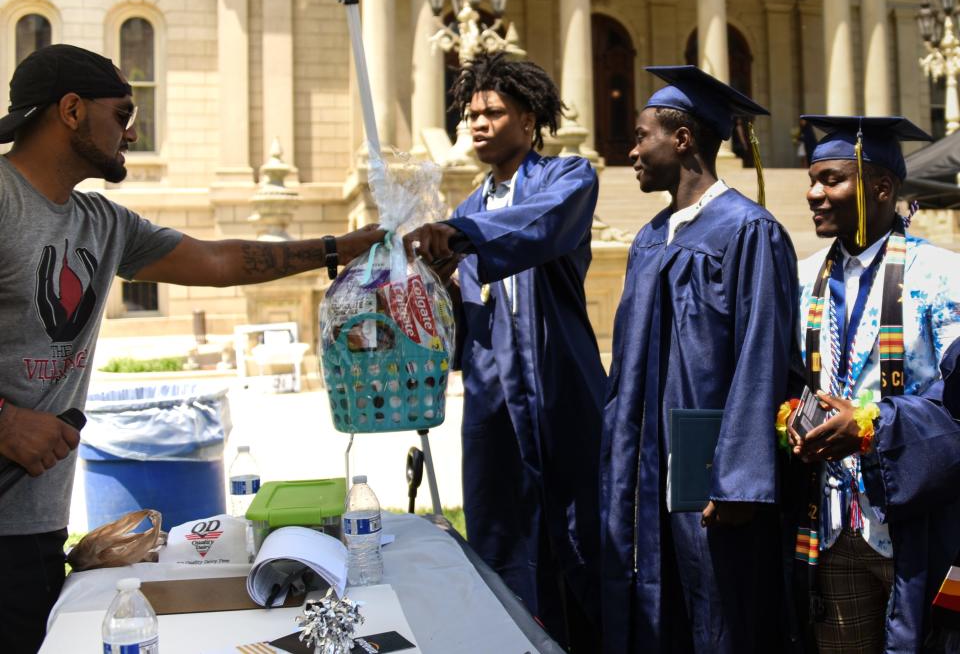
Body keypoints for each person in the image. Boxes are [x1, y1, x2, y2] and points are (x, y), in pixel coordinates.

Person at [0, 44, 383, 654]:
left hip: (33, 528)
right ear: (70, 110)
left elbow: (216, 259)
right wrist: (7, 421)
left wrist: (340, 248)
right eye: (122, 112)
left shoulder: (103, 223)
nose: (134, 129)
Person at [403, 52, 604, 649]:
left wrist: (462, 240)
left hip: (561, 384)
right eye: (471, 115)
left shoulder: (569, 179)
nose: (479, 124)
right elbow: (456, 319)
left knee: (581, 538)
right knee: (504, 541)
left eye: (493, 111)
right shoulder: (464, 210)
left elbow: (541, 228)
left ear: (529, 116)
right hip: (494, 399)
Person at [599, 65, 799, 653]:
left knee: (719, 615)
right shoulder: (649, 239)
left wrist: (738, 480)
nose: (631, 150)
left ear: (683, 139)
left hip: (712, 481)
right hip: (648, 470)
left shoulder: (748, 231)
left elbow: (762, 357)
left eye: (641, 136)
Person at [784, 115, 960, 652]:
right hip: (832, 525)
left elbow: (956, 397)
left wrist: (871, 425)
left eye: (831, 179)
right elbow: (792, 377)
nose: (813, 193)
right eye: (812, 179)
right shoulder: (801, 276)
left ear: (880, 187)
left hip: (917, 520)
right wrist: (792, 416)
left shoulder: (942, 277)